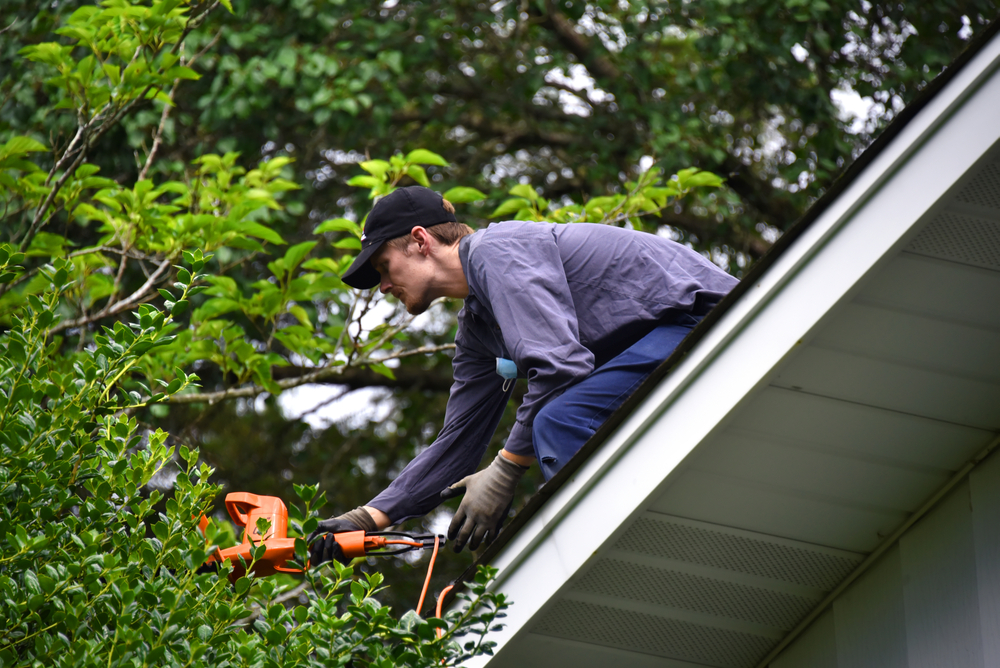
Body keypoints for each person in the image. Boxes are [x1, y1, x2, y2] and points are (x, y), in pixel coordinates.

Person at [308, 185, 737, 563]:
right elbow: (459, 439)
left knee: (561, 418)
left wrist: (507, 468)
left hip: (709, 320)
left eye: (383, 266)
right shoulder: (478, 329)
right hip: (658, 349)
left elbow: (559, 368)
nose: (383, 285)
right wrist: (368, 517)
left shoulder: (497, 250)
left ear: (419, 241)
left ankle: (622, 555)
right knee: (561, 416)